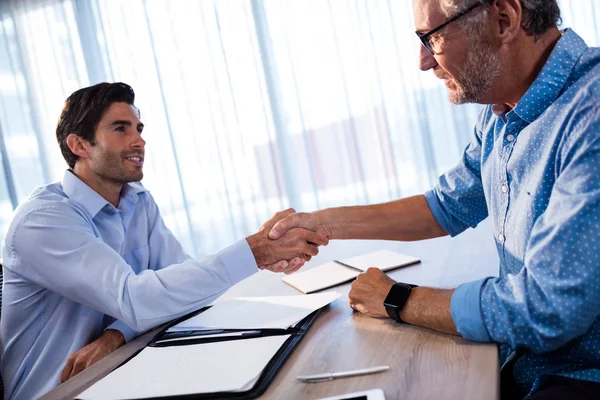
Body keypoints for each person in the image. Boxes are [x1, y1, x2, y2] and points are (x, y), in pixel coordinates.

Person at [266, 0, 600, 398]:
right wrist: (321, 224)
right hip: (526, 362)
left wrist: (397, 299)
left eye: (432, 37)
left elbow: (544, 308)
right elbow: (445, 206)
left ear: (504, 19)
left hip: (580, 376)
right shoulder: (503, 111)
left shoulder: (590, 114)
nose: (424, 62)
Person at [0, 82, 327, 400]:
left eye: (139, 129)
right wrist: (255, 252)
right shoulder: (43, 221)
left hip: (125, 365)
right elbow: (135, 300)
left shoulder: (137, 201)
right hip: (60, 390)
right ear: (80, 145)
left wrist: (117, 334)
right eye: (120, 129)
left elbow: (183, 290)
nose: (138, 141)